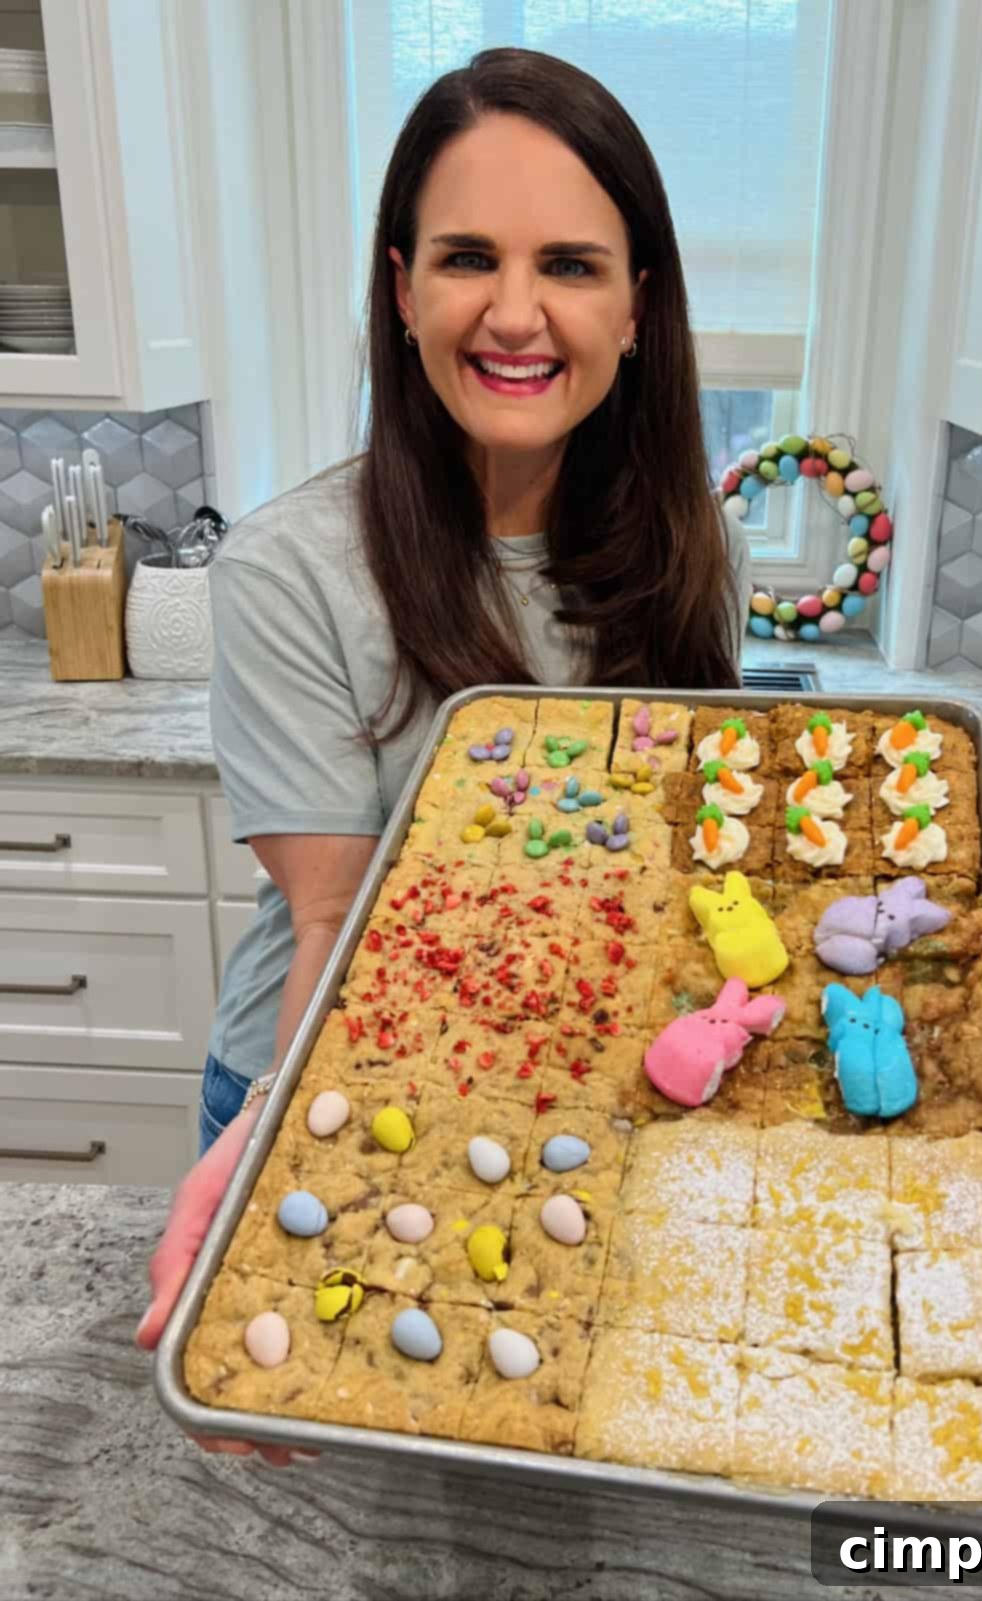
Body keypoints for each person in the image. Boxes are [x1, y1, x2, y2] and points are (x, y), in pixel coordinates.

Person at [134, 45, 752, 1461]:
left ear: (639, 306)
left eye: (574, 265)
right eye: (469, 257)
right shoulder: (296, 570)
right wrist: (285, 1158)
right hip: (325, 1076)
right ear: (403, 287)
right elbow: (332, 917)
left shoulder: (678, 547)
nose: (517, 313)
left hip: (563, 1083)